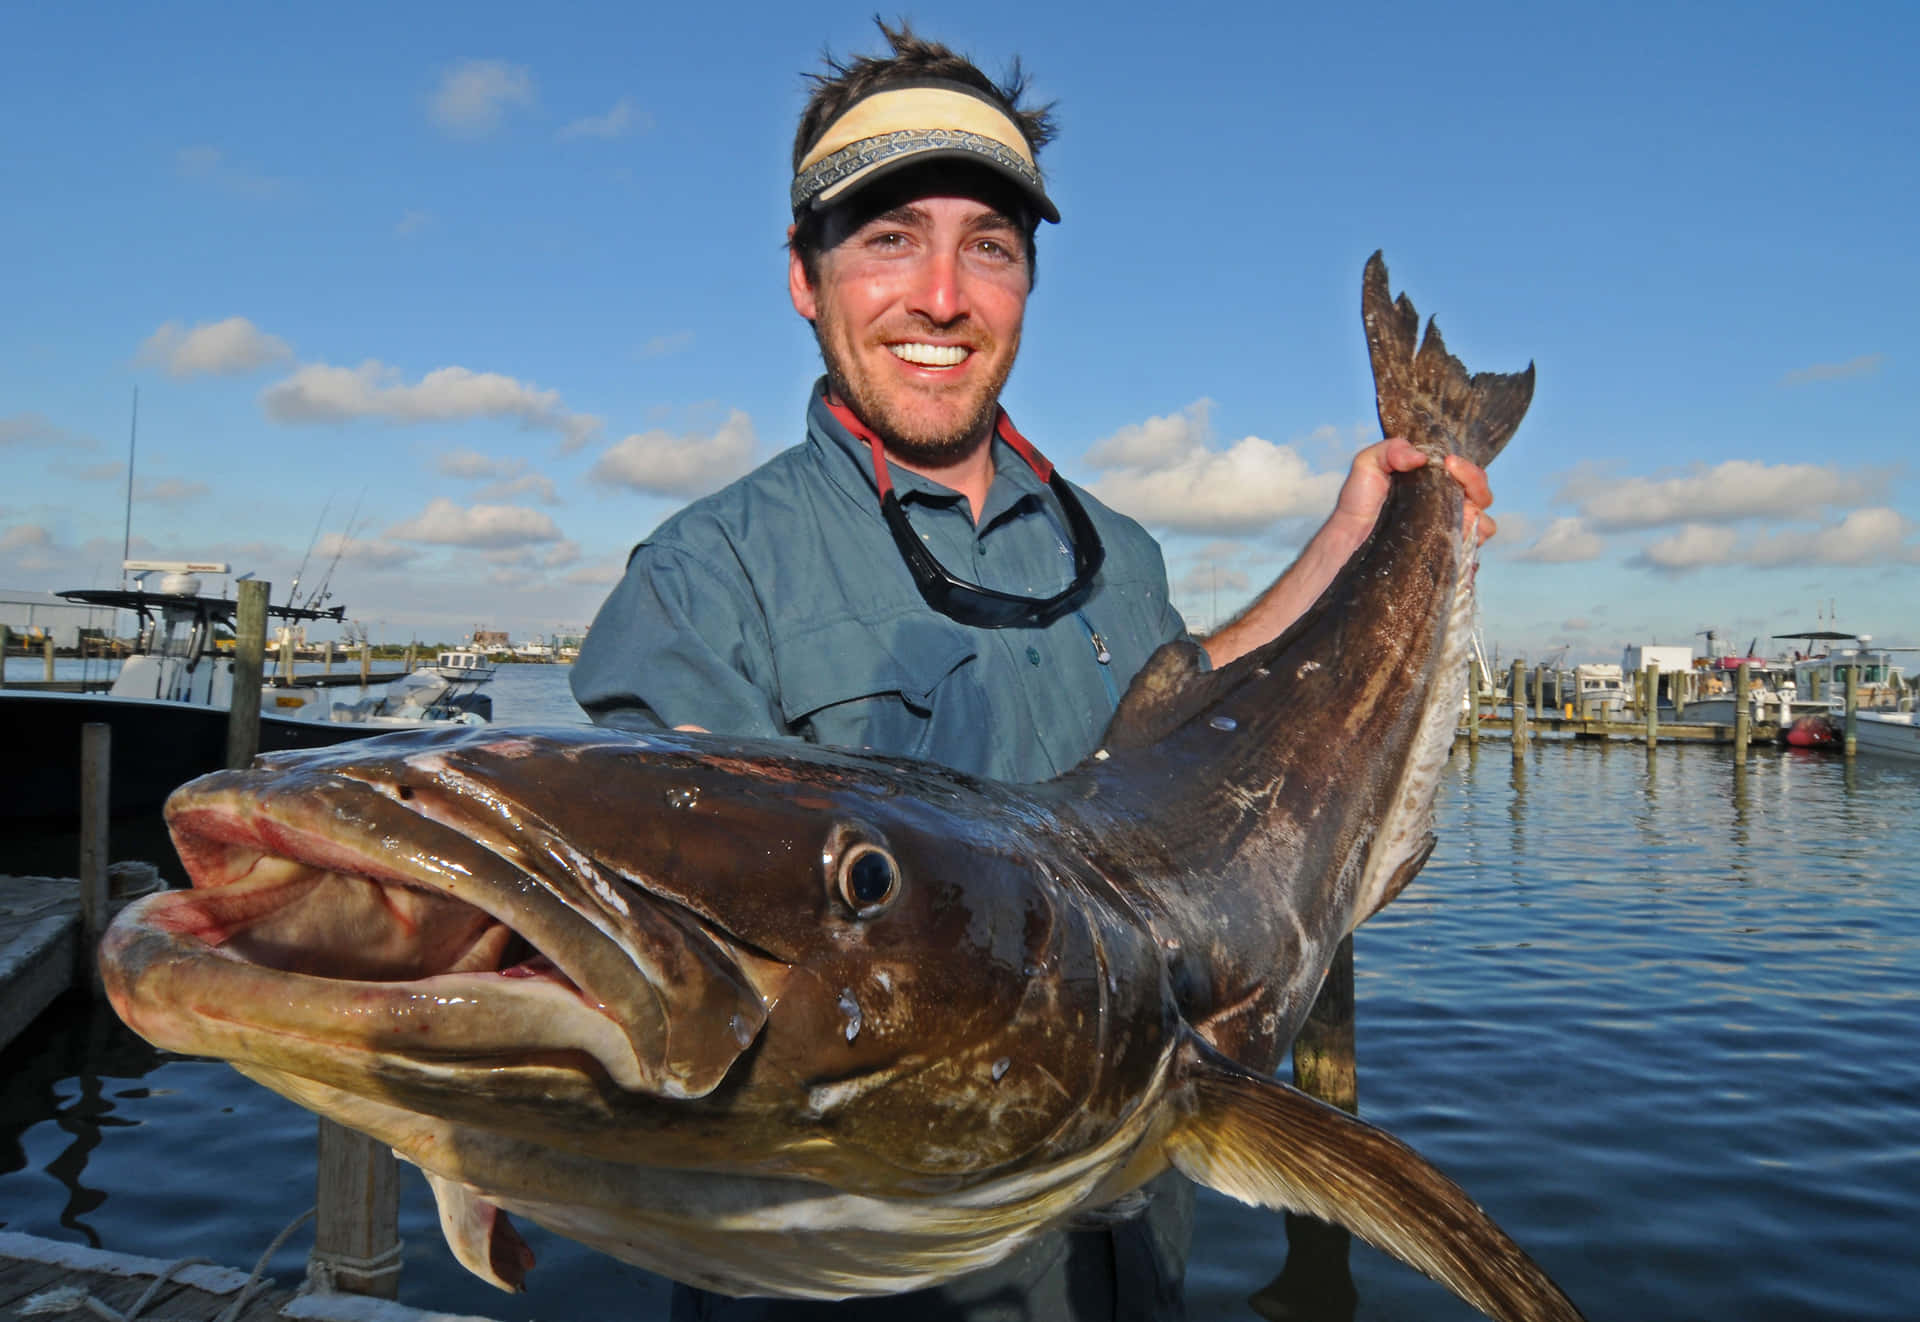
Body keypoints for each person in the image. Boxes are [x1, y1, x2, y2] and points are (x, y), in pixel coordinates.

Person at [571, 22, 1494, 1322]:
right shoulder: (699, 577)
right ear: (803, 274)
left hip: (1134, 1261)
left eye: (988, 246)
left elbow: (1183, 721)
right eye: (889, 235)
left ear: (1027, 282)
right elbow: (652, 943)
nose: (942, 294)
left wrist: (1363, 534)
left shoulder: (1115, 550)